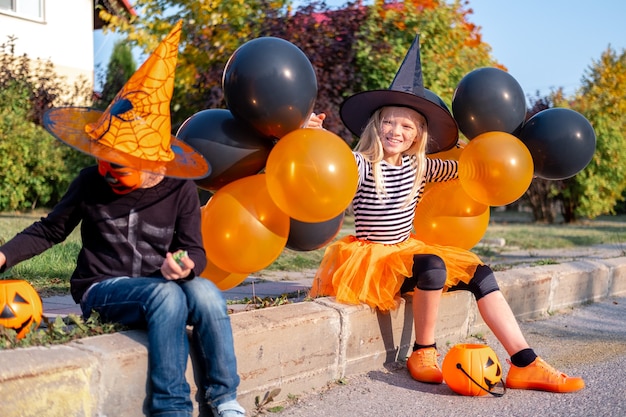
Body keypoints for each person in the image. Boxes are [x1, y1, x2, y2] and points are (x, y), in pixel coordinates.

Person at [309, 36, 584, 393]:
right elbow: (328, 162)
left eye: (407, 126)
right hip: (372, 261)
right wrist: (312, 134)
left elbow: (468, 167)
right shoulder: (360, 164)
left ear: (417, 136)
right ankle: (423, 352)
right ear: (376, 125)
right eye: (389, 122)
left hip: (405, 254)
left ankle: (525, 362)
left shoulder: (422, 167)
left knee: (482, 274)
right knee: (433, 265)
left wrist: (504, 157)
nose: (396, 131)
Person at [0, 22, 246, 416]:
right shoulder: (90, 183)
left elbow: (195, 252)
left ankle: (225, 397)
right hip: (102, 288)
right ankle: (171, 408)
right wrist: (4, 255)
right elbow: (51, 229)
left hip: (158, 285)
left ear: (150, 164)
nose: (107, 172)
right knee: (166, 297)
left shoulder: (178, 189)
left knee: (206, 293)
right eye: (101, 162)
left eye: (119, 168)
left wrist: (184, 267)